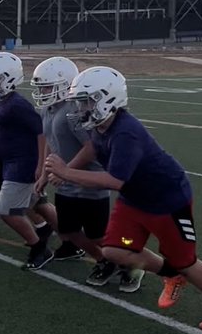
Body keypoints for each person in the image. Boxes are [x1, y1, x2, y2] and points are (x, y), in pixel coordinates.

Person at [44, 66, 202, 332]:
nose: (82, 108)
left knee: (185, 261)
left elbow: (115, 181)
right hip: (135, 199)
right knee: (114, 250)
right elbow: (93, 149)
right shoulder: (101, 124)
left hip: (166, 200)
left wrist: (67, 173)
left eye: (87, 101)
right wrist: (70, 169)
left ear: (108, 99)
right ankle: (170, 274)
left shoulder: (126, 132)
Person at [31, 57, 143, 291]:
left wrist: (66, 171)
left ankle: (132, 265)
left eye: (47, 87)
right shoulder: (48, 110)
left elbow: (91, 147)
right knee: (68, 231)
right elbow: (50, 141)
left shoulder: (74, 111)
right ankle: (105, 261)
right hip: (65, 182)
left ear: (64, 84)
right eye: (42, 87)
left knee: (98, 235)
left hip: (88, 182)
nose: (43, 92)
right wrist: (44, 173)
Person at [0, 52, 54, 270]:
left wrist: (40, 165)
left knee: (7, 210)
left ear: (9, 78)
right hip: (10, 161)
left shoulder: (17, 104)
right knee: (37, 204)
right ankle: (69, 239)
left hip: (23, 162)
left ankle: (39, 248)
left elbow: (41, 132)